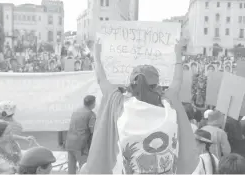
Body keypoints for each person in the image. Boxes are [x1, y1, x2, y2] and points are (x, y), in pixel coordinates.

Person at [84, 39, 199, 174]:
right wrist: (178, 53)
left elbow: (101, 79)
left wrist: (96, 54)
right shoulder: (169, 104)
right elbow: (178, 80)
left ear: (131, 85)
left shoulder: (119, 105)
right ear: (157, 85)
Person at [65, 95, 96, 174]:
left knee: (71, 169)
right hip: (80, 146)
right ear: (93, 104)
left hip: (69, 144)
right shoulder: (91, 114)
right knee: (84, 168)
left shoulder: (76, 111)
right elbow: (94, 131)